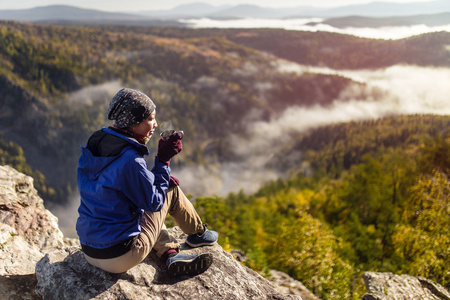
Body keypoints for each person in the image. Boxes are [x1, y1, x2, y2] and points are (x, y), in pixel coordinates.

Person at [76, 88, 218, 277]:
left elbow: (119, 185)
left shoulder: (97, 144)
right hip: (120, 255)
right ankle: (197, 234)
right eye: (150, 119)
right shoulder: (130, 160)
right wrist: (163, 161)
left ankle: (170, 253)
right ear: (133, 122)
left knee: (148, 199)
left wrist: (155, 178)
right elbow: (155, 203)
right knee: (169, 191)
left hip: (90, 249)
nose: (155, 124)